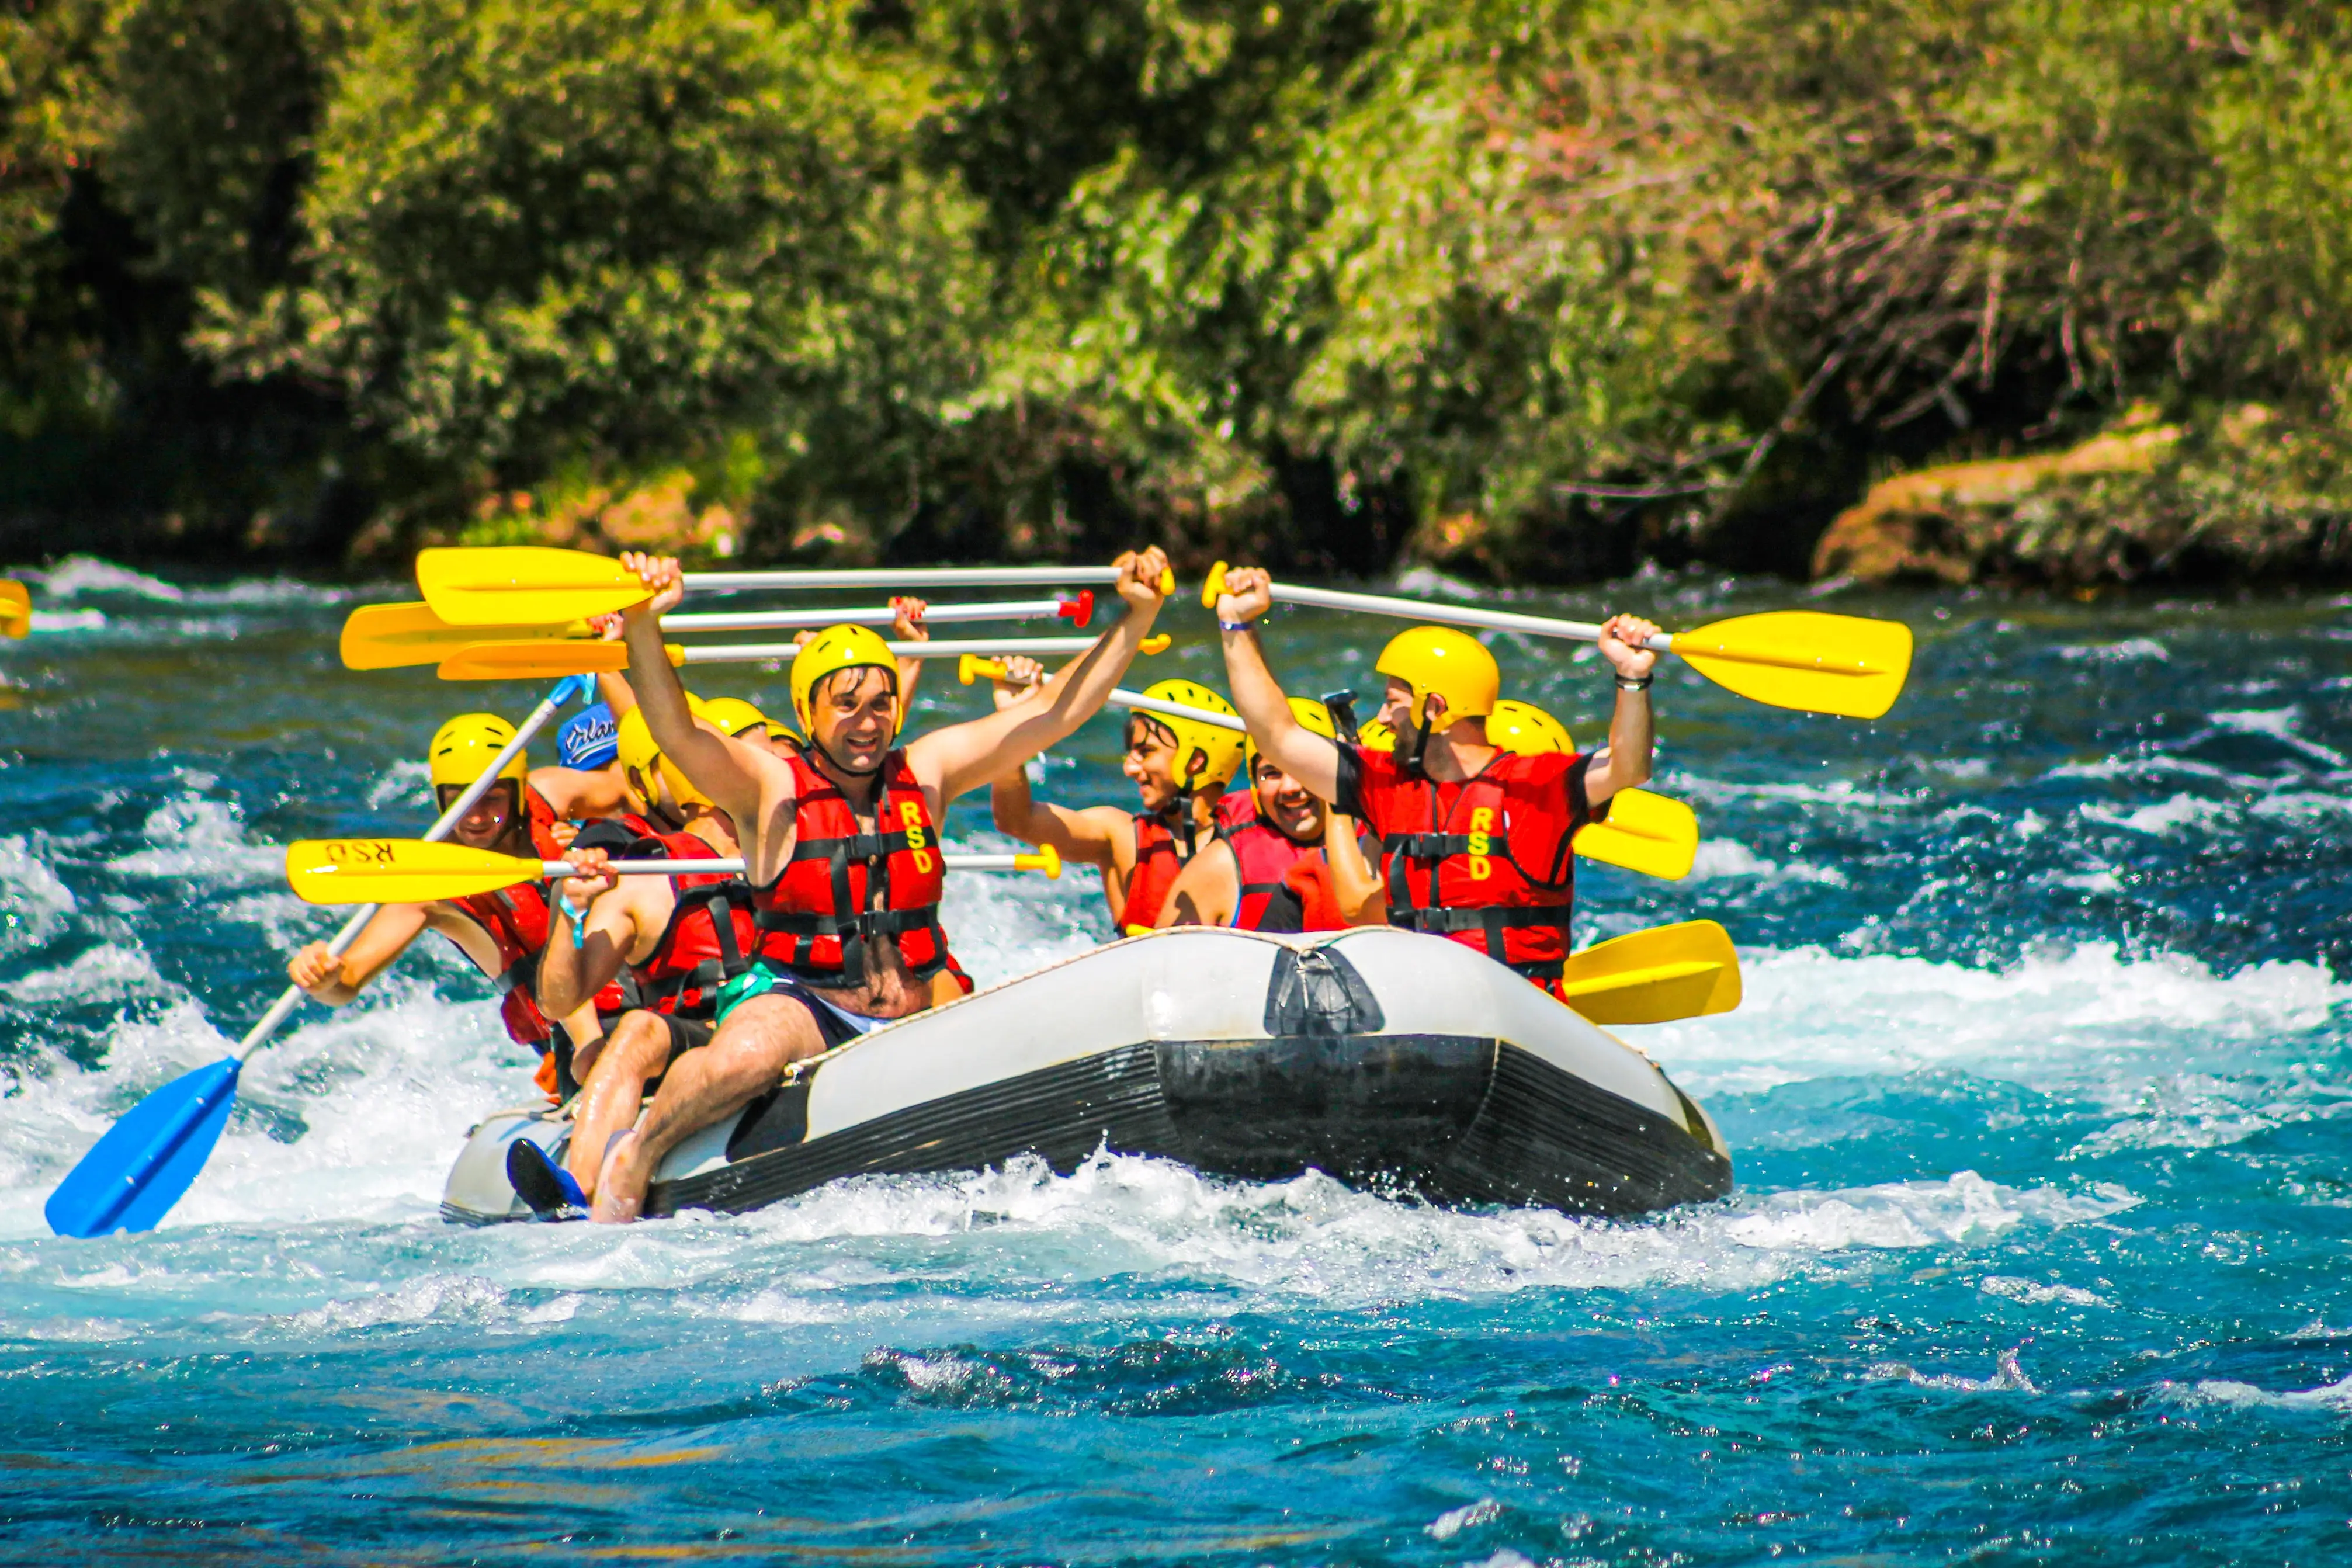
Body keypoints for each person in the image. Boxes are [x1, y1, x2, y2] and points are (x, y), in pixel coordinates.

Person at [587, 546, 1176, 1222]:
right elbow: (676, 729)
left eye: (879, 703)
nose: (866, 722)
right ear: (808, 712)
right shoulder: (767, 785)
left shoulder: (926, 771)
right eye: (846, 706)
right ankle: (638, 1148)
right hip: (808, 1003)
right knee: (741, 1059)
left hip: (917, 999)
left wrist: (1138, 614)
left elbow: (1053, 714)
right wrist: (642, 625)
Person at [1209, 566, 1661, 998]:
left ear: (1436, 708)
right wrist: (1237, 627)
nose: (1383, 718)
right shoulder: (1385, 784)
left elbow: (1629, 767)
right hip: (1421, 1006)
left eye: (1393, 703)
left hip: (1519, 1010)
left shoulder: (1534, 785)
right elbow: (1277, 736)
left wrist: (1633, 677)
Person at [285, 714, 612, 1097]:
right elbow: (348, 982)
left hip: (637, 986)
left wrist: (596, 836)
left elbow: (645, 798)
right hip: (572, 1043)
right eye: (459, 800)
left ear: (520, 792)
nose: (474, 817)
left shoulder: (553, 793)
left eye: (491, 798)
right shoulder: (432, 888)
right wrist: (325, 979)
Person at [516, 702, 759, 1213]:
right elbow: (559, 1000)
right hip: (698, 1030)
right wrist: (571, 915)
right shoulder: (635, 867)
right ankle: (577, 1192)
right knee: (639, 1032)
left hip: (788, 1015)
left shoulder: (788, 832)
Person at [990, 677, 1246, 935]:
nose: (1130, 768)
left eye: (1146, 752)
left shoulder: (1254, 839)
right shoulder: (1121, 837)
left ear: (1195, 762)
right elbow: (1017, 820)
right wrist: (1012, 720)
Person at [1154, 696, 1363, 932]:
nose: (1290, 787)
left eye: (1304, 766)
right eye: (1271, 773)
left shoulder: (1378, 845)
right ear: (1255, 786)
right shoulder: (1219, 866)